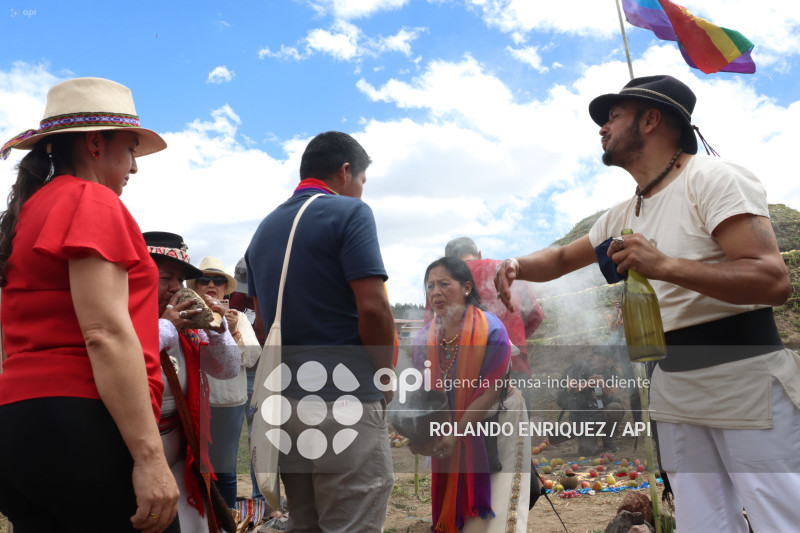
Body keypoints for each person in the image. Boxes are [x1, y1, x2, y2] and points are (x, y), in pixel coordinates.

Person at [495, 74, 800, 532]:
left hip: (743, 377)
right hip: (672, 385)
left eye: (614, 116)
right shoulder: (624, 213)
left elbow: (773, 280)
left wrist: (664, 265)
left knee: (780, 516)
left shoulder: (712, 178)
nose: (602, 127)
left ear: (651, 119)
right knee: (703, 522)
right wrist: (515, 265)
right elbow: (560, 259)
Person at [0, 77, 179, 533]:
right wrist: (149, 457)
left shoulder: (26, 213)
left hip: (18, 419)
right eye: (131, 150)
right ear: (96, 145)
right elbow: (104, 332)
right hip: (85, 419)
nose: (134, 167)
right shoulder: (90, 198)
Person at [246, 131, 395, 532]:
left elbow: (261, 326)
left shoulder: (263, 230)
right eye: (362, 180)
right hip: (343, 399)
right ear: (345, 172)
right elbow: (373, 307)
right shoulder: (350, 212)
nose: (361, 190)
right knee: (352, 520)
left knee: (304, 521)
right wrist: (385, 374)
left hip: (285, 403)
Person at [410, 257, 530, 533]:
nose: (435, 292)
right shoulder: (424, 340)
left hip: (499, 420)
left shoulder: (492, 330)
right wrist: (422, 435)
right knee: (464, 518)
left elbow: (490, 392)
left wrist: (456, 433)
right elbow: (425, 397)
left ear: (466, 288)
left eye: (444, 284)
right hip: (453, 423)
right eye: (430, 286)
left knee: (501, 510)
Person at [146, 233, 241, 533]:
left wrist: (216, 326)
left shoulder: (186, 328)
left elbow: (228, 369)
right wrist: (166, 327)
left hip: (181, 452)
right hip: (133, 456)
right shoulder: (120, 319)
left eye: (180, 279)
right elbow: (126, 361)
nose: (176, 287)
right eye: (166, 277)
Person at [187, 256, 261, 508]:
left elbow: (252, 357)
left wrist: (233, 331)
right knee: (194, 467)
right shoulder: (186, 315)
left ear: (225, 287)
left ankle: (227, 520)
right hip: (193, 400)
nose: (211, 284)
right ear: (195, 286)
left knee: (225, 469)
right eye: (204, 279)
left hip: (228, 402)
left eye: (218, 280)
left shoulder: (237, 317)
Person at [443, 236, 543, 410]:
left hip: (464, 375)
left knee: (469, 427)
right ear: (479, 254)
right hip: (514, 366)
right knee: (516, 424)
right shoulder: (507, 270)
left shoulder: (441, 282)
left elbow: (432, 333)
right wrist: (513, 338)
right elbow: (535, 316)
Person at [228, 258, 266, 502]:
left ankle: (260, 496)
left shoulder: (269, 297)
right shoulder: (230, 297)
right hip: (236, 367)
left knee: (256, 433)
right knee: (234, 434)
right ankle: (229, 497)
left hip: (262, 365)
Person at [555, 345, 624, 455]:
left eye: (603, 362)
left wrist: (603, 384)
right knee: (588, 451)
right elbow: (570, 388)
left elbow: (615, 393)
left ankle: (608, 439)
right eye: (598, 361)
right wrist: (588, 384)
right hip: (584, 415)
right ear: (591, 357)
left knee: (616, 408)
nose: (600, 365)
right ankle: (590, 439)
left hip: (603, 411)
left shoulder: (611, 371)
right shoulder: (579, 367)